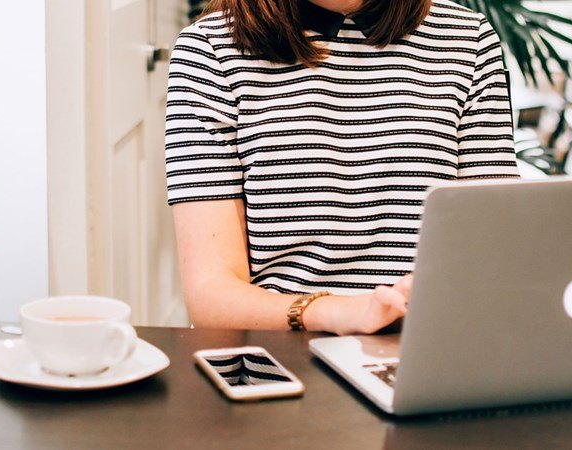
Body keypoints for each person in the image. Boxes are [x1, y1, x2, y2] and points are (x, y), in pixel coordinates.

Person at [166, 0, 518, 334]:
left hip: (431, 359)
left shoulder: (468, 39)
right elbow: (211, 294)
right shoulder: (209, 48)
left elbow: (496, 248)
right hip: (286, 370)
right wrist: (336, 312)